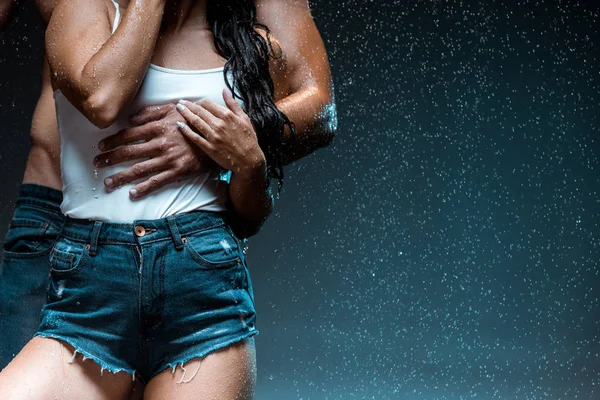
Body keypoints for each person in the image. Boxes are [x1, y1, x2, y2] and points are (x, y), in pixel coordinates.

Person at [0, 0, 335, 398]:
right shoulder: (84, 10)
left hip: (201, 277)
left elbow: (252, 211)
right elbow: (101, 98)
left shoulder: (249, 47)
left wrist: (229, 150)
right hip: (76, 257)